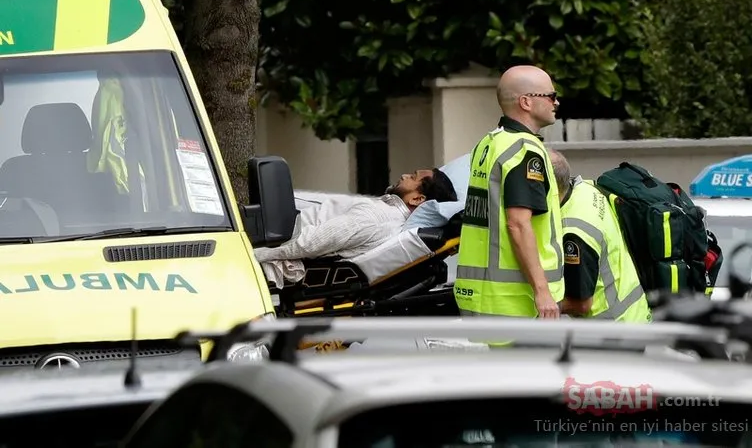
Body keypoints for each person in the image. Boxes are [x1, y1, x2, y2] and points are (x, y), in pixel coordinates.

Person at [454, 65, 565, 319]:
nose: (556, 102)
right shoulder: (524, 151)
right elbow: (518, 224)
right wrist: (542, 291)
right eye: (550, 96)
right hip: (517, 301)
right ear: (526, 102)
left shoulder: (489, 143)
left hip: (483, 293)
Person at [254, 168, 457, 287]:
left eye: (413, 177)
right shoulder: (384, 211)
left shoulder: (378, 217)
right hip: (277, 231)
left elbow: (309, 243)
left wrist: (249, 253)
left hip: (270, 241)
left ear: (417, 198)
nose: (404, 175)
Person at [548, 148, 651, 322]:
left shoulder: (574, 234)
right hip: (633, 317)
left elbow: (581, 304)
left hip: (613, 331)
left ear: (550, 187)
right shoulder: (586, 189)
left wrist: (538, 305)